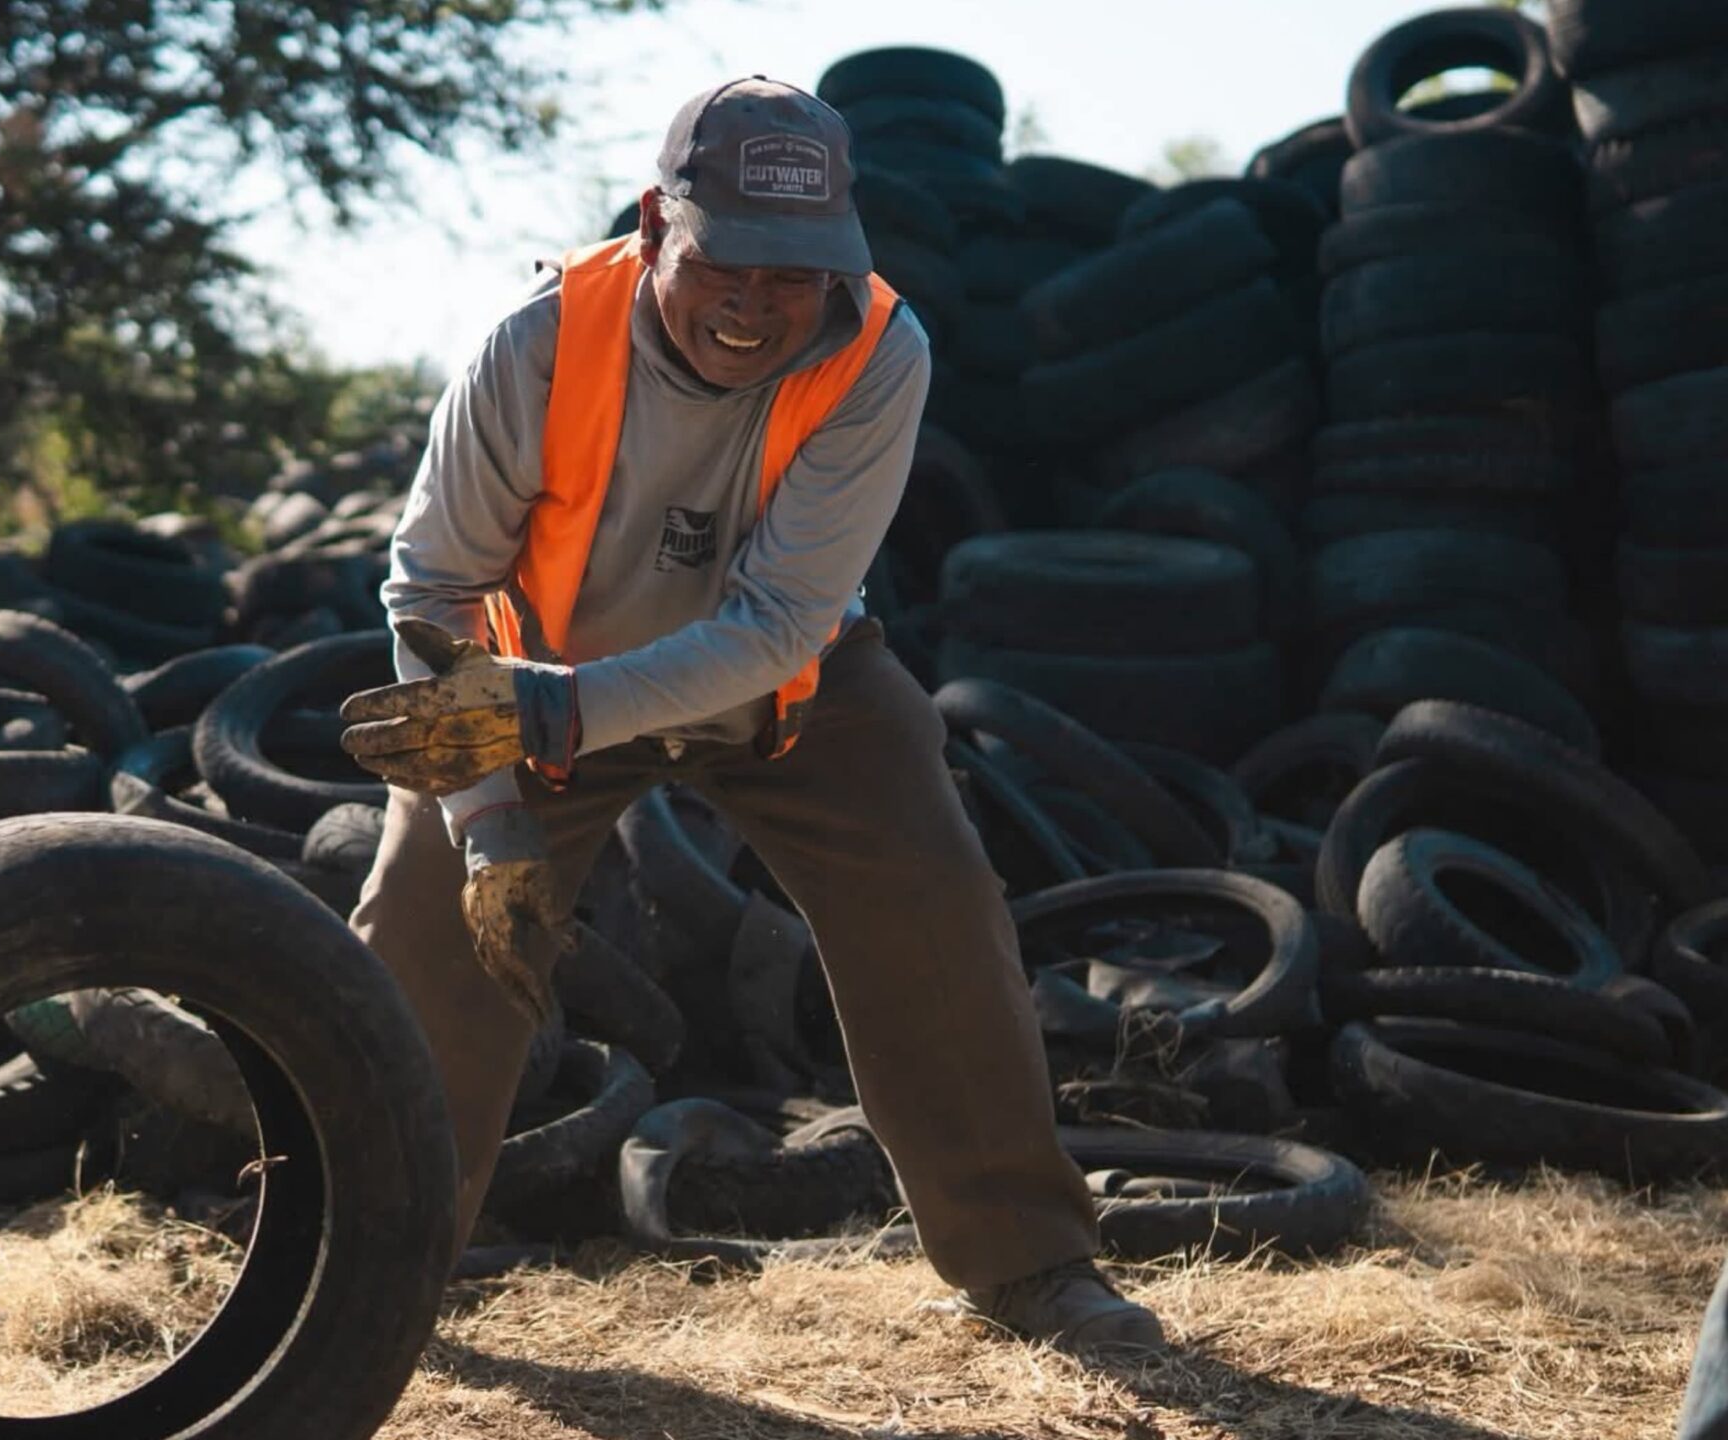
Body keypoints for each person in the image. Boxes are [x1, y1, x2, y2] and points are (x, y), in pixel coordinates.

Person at [337, 75, 1163, 1352]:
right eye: (728, 262)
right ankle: (361, 1273)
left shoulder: (880, 348)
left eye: (795, 275)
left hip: (786, 687)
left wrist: (559, 715)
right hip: (529, 679)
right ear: (658, 226)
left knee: (933, 905)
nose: (760, 306)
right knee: (425, 934)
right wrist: (490, 810)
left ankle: (1029, 1264)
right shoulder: (537, 341)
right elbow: (430, 585)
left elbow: (781, 621)